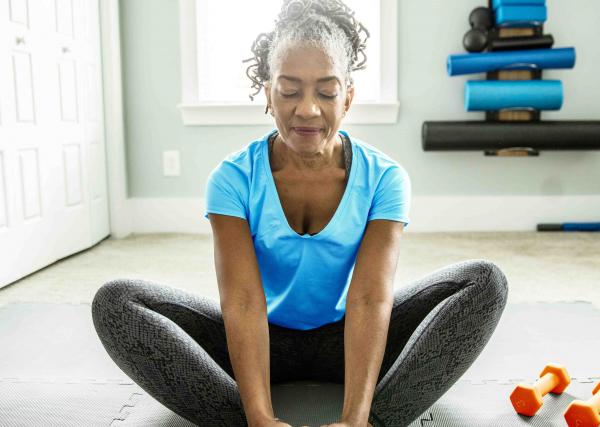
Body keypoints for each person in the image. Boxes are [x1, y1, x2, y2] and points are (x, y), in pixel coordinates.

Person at [91, 1, 508, 426]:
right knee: (116, 302)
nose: (307, 109)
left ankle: (373, 423)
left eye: (326, 92)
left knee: (484, 281)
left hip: (346, 339)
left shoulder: (385, 178)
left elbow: (369, 298)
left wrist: (354, 418)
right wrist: (259, 416)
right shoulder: (232, 178)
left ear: (347, 96)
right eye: (290, 91)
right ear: (268, 92)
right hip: (258, 340)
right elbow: (242, 300)